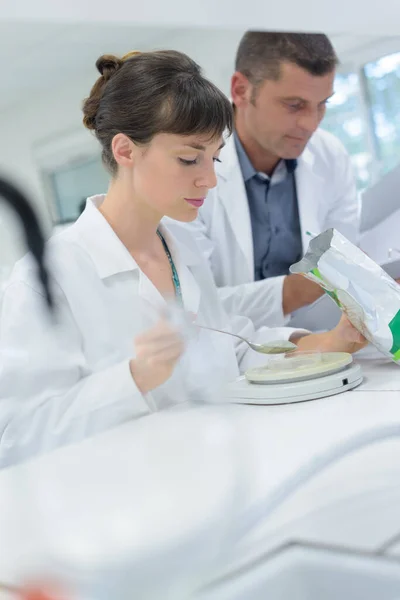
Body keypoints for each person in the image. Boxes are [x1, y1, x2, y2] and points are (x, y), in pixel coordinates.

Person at [0, 50, 365, 466]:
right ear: (125, 150)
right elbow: (14, 438)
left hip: (210, 477)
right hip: (113, 507)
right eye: (189, 159)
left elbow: (235, 351)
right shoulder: (48, 275)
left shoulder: (181, 251)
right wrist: (134, 379)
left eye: (215, 158)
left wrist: (331, 344)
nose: (209, 179)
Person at [169, 32, 360, 330]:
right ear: (241, 90)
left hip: (321, 344)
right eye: (294, 105)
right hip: (231, 360)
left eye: (322, 104)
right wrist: (293, 291)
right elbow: (191, 306)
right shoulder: (186, 168)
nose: (311, 124)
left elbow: (347, 269)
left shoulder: (329, 155)